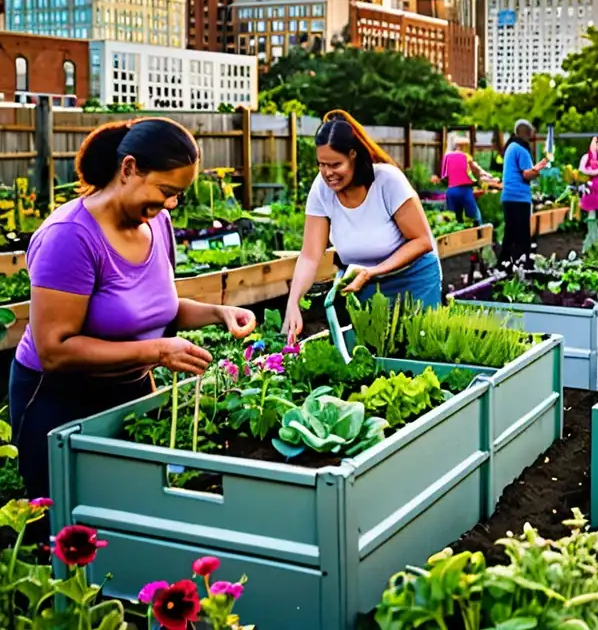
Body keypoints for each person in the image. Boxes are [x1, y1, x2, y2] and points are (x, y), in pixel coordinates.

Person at [10, 118, 257, 514]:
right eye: (166, 190)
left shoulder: (157, 222)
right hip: (60, 401)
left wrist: (218, 312)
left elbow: (156, 308)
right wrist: (157, 352)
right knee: (63, 525)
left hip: (129, 390)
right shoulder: (69, 237)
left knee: (133, 513)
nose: (171, 204)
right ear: (128, 169)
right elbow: (55, 348)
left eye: (177, 195)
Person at [283, 110, 440, 337]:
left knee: (418, 347)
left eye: (335, 164)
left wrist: (372, 271)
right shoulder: (321, 189)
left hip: (413, 280)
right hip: (363, 285)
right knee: (371, 354)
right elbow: (309, 255)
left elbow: (422, 241)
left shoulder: (387, 181)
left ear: (353, 155)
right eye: (321, 165)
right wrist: (293, 302)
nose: (328, 173)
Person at [500, 119, 549, 267]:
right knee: (522, 235)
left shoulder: (511, 147)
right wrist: (539, 168)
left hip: (508, 196)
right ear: (526, 133)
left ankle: (504, 263)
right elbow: (526, 174)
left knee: (510, 232)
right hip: (519, 197)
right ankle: (522, 265)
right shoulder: (521, 149)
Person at [435, 134, 498, 225]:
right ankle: (478, 235)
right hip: (465, 191)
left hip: (451, 191)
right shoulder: (466, 157)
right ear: (464, 146)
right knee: (475, 218)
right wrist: (489, 177)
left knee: (452, 220)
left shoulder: (447, 157)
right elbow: (476, 171)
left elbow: (444, 177)